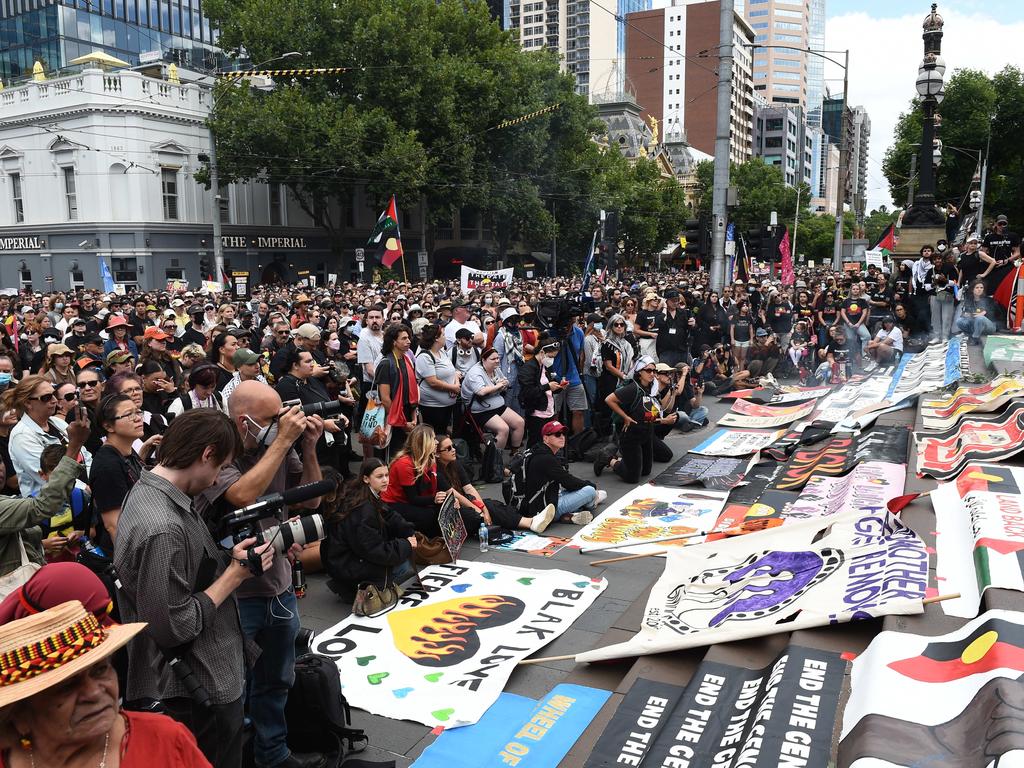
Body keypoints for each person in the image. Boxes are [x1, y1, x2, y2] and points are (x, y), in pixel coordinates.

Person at [115, 409, 274, 768]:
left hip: (201, 678)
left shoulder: (150, 491)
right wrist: (234, 574)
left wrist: (225, 559)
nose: (217, 477)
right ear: (206, 453)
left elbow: (184, 577)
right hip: (196, 687)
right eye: (220, 467)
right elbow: (172, 625)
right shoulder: (162, 526)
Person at [195, 381, 326, 768]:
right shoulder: (217, 451)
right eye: (271, 419)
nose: (280, 423)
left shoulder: (279, 445)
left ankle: (273, 753)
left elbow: (311, 498)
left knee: (277, 679)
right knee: (229, 689)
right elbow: (241, 496)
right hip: (235, 594)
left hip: (278, 584)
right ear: (244, 422)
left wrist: (308, 446)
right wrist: (284, 441)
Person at [0, 600, 212, 768]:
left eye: (100, 670)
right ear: (18, 714)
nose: (93, 692)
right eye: (66, 686)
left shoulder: (163, 739)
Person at [0, 410, 88, 576]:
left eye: (0, 461)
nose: (0, 470)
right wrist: (74, 446)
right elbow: (42, 506)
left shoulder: (79, 497)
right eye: (45, 397)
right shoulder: (21, 435)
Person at [322, 458, 417, 601]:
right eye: (380, 476)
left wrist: (408, 531)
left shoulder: (363, 494)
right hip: (347, 567)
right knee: (404, 564)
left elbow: (390, 515)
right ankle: (358, 588)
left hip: (342, 562)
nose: (385, 480)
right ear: (366, 478)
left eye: (387, 475)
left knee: (402, 552)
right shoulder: (364, 509)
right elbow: (375, 550)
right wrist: (406, 545)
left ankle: (353, 585)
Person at [89, 394, 160, 554]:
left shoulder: (127, 452)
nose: (137, 418)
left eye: (138, 412)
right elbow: (114, 525)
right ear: (108, 426)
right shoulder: (107, 465)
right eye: (129, 414)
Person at [434, 434, 544, 532]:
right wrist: (479, 511)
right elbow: (456, 495)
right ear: (437, 454)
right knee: (475, 514)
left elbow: (469, 488)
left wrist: (483, 509)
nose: (453, 450)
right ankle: (529, 522)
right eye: (448, 448)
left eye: (453, 446)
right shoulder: (437, 472)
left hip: (464, 502)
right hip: (453, 510)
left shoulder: (455, 464)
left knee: (490, 505)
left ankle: (530, 522)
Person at [6, 376, 91, 498]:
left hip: (81, 499)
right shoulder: (22, 436)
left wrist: (94, 481)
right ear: (28, 403)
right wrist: (86, 489)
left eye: (54, 394)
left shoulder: (58, 423)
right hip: (51, 509)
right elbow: (50, 478)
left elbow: (85, 457)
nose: (55, 400)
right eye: (46, 397)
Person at [521, 421, 602, 525]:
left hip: (531, 503)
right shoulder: (546, 458)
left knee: (579, 490)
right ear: (546, 438)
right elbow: (568, 481)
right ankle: (592, 502)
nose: (562, 437)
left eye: (563, 433)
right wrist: (592, 486)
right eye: (557, 434)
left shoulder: (535, 450)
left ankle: (570, 515)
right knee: (590, 491)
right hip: (545, 509)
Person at [597, 357, 660, 485]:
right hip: (631, 434)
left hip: (646, 431)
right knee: (632, 478)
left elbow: (655, 408)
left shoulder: (652, 387)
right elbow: (609, 399)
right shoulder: (632, 388)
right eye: (648, 370)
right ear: (639, 372)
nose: (652, 373)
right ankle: (608, 459)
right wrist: (625, 417)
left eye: (654, 370)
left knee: (646, 471)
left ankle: (627, 461)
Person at [380, 424, 441, 536]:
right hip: (393, 503)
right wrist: (434, 500)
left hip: (407, 499)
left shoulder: (428, 459)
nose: (437, 442)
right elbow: (413, 498)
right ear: (424, 443)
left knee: (439, 510)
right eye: (433, 439)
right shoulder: (405, 464)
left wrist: (447, 500)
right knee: (428, 514)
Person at [461, 346, 524, 451]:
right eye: (493, 359)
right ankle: (494, 462)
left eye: (498, 358)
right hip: (480, 410)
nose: (497, 361)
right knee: (503, 429)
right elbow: (481, 391)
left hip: (496, 405)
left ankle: (515, 453)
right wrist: (498, 386)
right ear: (484, 359)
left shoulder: (495, 368)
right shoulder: (475, 372)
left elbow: (504, 381)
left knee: (519, 422)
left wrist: (504, 383)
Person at [374, 324, 420, 458]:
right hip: (392, 417)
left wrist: (413, 418)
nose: (409, 341)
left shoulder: (407, 360)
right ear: (394, 342)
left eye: (409, 338)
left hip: (407, 414)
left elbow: (412, 392)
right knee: (395, 456)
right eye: (404, 338)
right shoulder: (386, 363)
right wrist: (403, 424)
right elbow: (385, 399)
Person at [415, 323, 460, 436]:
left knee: (442, 433)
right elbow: (433, 382)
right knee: (433, 436)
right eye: (443, 335)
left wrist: (456, 384)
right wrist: (453, 388)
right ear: (436, 338)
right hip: (432, 407)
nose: (445, 337)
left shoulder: (442, 352)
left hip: (447, 405)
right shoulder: (425, 356)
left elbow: (453, 371)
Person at [955, 279, 1001, 344]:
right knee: (959, 321)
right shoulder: (969, 301)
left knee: (980, 318)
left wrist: (985, 312)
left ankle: (975, 338)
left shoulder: (988, 300)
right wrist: (969, 315)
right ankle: (970, 334)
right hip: (975, 322)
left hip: (989, 325)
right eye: (977, 288)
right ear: (972, 290)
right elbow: (964, 314)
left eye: (981, 288)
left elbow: (993, 315)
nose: (979, 289)